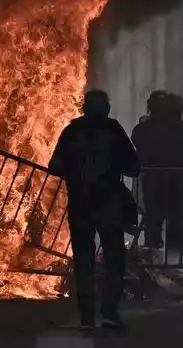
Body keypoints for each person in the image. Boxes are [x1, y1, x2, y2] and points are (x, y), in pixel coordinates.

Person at [48, 89, 139, 332]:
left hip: (81, 205)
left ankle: (87, 318)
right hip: (108, 205)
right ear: (106, 108)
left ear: (84, 107)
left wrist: (74, 171)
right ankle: (109, 313)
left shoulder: (72, 131)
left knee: (84, 262)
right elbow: (133, 166)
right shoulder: (113, 131)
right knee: (114, 261)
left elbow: (54, 165)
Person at [130, 91, 183, 258]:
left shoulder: (145, 128)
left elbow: (137, 144)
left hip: (155, 182)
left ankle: (152, 260)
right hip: (175, 182)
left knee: (155, 221)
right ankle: (178, 261)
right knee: (173, 222)